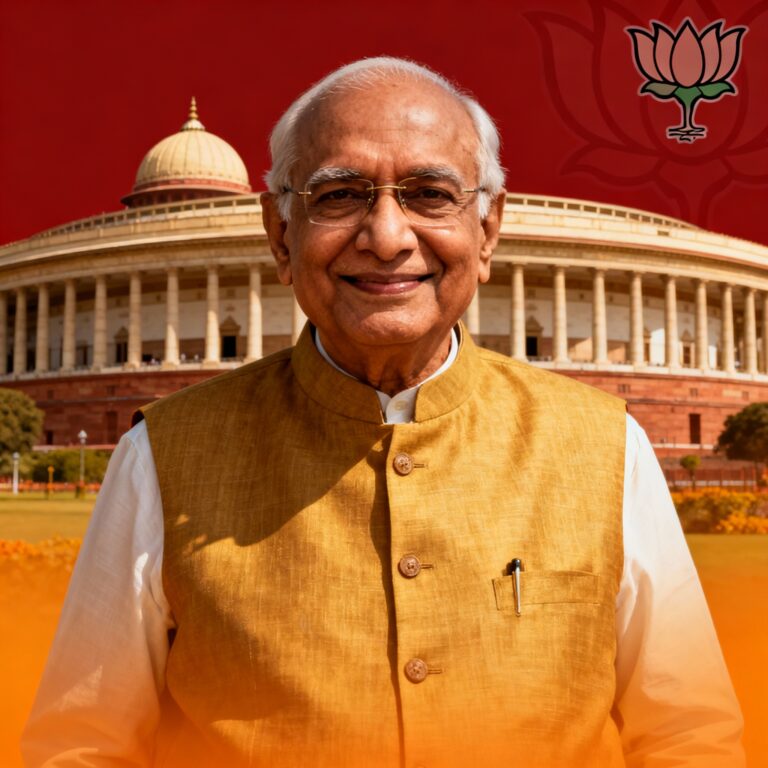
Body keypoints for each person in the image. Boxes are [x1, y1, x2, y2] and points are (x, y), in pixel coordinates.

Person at [23, 57, 744, 768]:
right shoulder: (162, 458)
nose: (389, 236)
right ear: (280, 235)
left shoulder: (605, 449)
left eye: (430, 192)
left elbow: (689, 737)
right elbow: (81, 747)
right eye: (339, 195)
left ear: (488, 231)